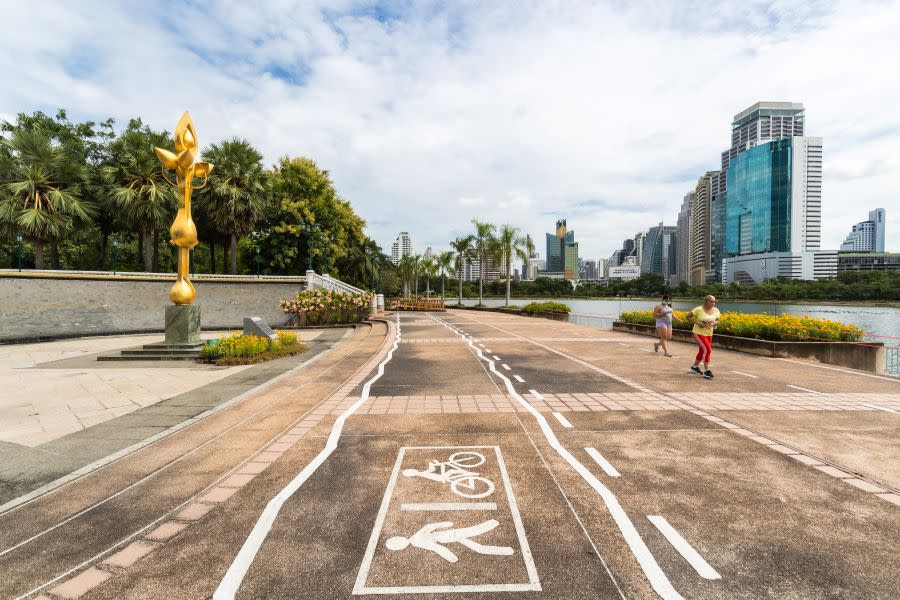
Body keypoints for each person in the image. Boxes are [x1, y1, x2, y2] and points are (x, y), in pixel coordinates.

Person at [685, 294, 720, 379]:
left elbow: (718, 321)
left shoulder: (716, 310)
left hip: (709, 333)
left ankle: (695, 367)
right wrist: (698, 323)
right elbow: (687, 317)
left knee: (702, 350)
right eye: (711, 301)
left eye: (714, 301)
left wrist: (713, 323)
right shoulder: (698, 309)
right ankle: (706, 371)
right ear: (706, 301)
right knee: (708, 350)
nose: (713, 303)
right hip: (698, 333)